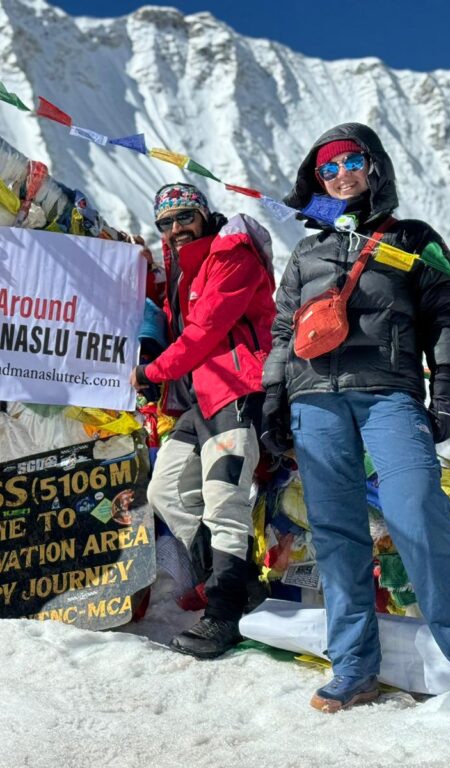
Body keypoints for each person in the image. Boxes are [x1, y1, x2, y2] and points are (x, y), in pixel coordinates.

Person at [260, 123, 450, 713]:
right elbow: (283, 329)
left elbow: (446, 314)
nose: (339, 173)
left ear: (373, 166)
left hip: (390, 392)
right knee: (338, 532)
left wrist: (442, 388)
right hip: (314, 398)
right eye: (326, 168)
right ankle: (353, 669)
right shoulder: (306, 250)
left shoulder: (415, 238)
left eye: (350, 161)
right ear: (315, 181)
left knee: (416, 507)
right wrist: (272, 394)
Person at [130, 183, 276, 658]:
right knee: (165, 490)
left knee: (223, 500)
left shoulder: (233, 252)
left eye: (184, 217)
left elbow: (205, 331)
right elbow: (169, 322)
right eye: (166, 224)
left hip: (238, 389)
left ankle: (223, 613)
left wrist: (152, 372)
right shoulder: (182, 272)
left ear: (204, 214)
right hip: (199, 401)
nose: (175, 229)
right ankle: (235, 584)